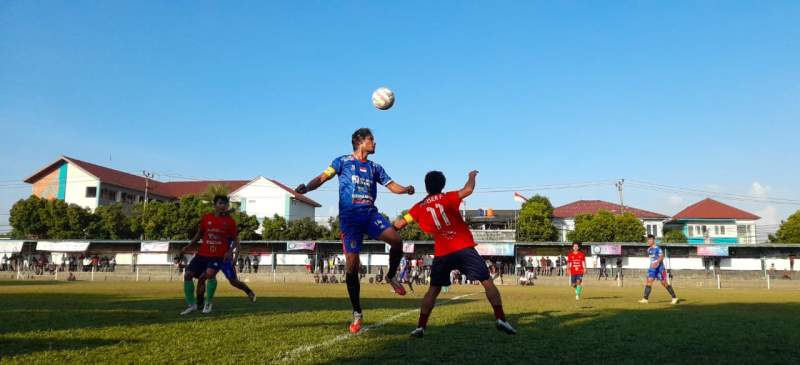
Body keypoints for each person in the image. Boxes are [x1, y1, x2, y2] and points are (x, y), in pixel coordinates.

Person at [295, 127, 415, 333]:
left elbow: (392, 185)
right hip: (350, 219)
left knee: (396, 241)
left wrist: (405, 190)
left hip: (370, 215)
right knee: (352, 265)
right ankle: (357, 313)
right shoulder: (342, 162)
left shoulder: (375, 167)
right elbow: (323, 177)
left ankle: (391, 276)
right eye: (371, 139)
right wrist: (307, 187)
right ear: (360, 141)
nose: (375, 142)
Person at [393, 170, 516, 337]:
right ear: (442, 185)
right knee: (487, 282)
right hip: (463, 247)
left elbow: (400, 223)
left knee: (433, 290)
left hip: (443, 252)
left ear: (426, 186)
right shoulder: (448, 197)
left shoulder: (418, 207)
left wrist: (381, 231)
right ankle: (501, 318)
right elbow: (468, 190)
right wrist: (472, 176)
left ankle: (421, 327)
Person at [178, 195, 238, 315]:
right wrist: (188, 246)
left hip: (218, 255)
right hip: (202, 254)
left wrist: (230, 251)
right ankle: (192, 305)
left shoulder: (230, 221)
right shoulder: (206, 218)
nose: (223, 206)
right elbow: (199, 234)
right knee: (188, 275)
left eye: (225, 204)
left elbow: (236, 240)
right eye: (220, 203)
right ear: (214, 205)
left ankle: (208, 303)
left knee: (210, 274)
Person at [638, 235, 679, 305]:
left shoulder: (658, 248)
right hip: (652, 269)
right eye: (647, 240)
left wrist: (657, 262)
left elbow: (661, 256)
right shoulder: (648, 249)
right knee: (649, 281)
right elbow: (652, 259)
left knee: (664, 283)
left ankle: (674, 297)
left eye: (649, 240)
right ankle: (645, 299)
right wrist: (652, 264)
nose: (648, 241)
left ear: (653, 240)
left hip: (660, 268)